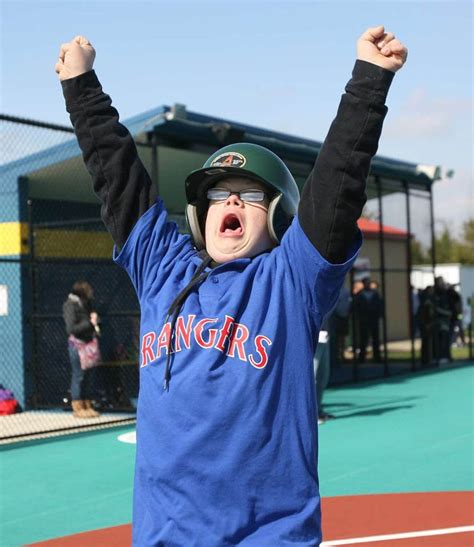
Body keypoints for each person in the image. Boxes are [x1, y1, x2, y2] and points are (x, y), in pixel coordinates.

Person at [56, 26, 407, 546]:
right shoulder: (162, 269)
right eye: (219, 194)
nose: (233, 203)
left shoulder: (291, 281)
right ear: (202, 216)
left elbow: (337, 187)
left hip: (268, 536)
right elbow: (118, 177)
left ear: (280, 219)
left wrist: (369, 81)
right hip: (164, 536)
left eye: (251, 196)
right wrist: (82, 86)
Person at [63, 281, 101, 418]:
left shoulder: (87, 304)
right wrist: (89, 323)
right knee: (79, 375)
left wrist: (96, 320)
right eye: (89, 290)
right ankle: (78, 407)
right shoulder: (70, 305)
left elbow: (94, 321)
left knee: (89, 376)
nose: (91, 293)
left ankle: (88, 405)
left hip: (89, 345)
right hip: (77, 346)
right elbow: (71, 329)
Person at [354, 276, 383, 362]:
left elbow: (379, 305)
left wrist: (379, 315)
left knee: (375, 338)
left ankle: (377, 357)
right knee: (363, 339)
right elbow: (356, 307)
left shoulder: (375, 294)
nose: (368, 284)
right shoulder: (359, 295)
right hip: (364, 320)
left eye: (369, 282)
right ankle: (362, 357)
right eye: (366, 283)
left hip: (373, 319)